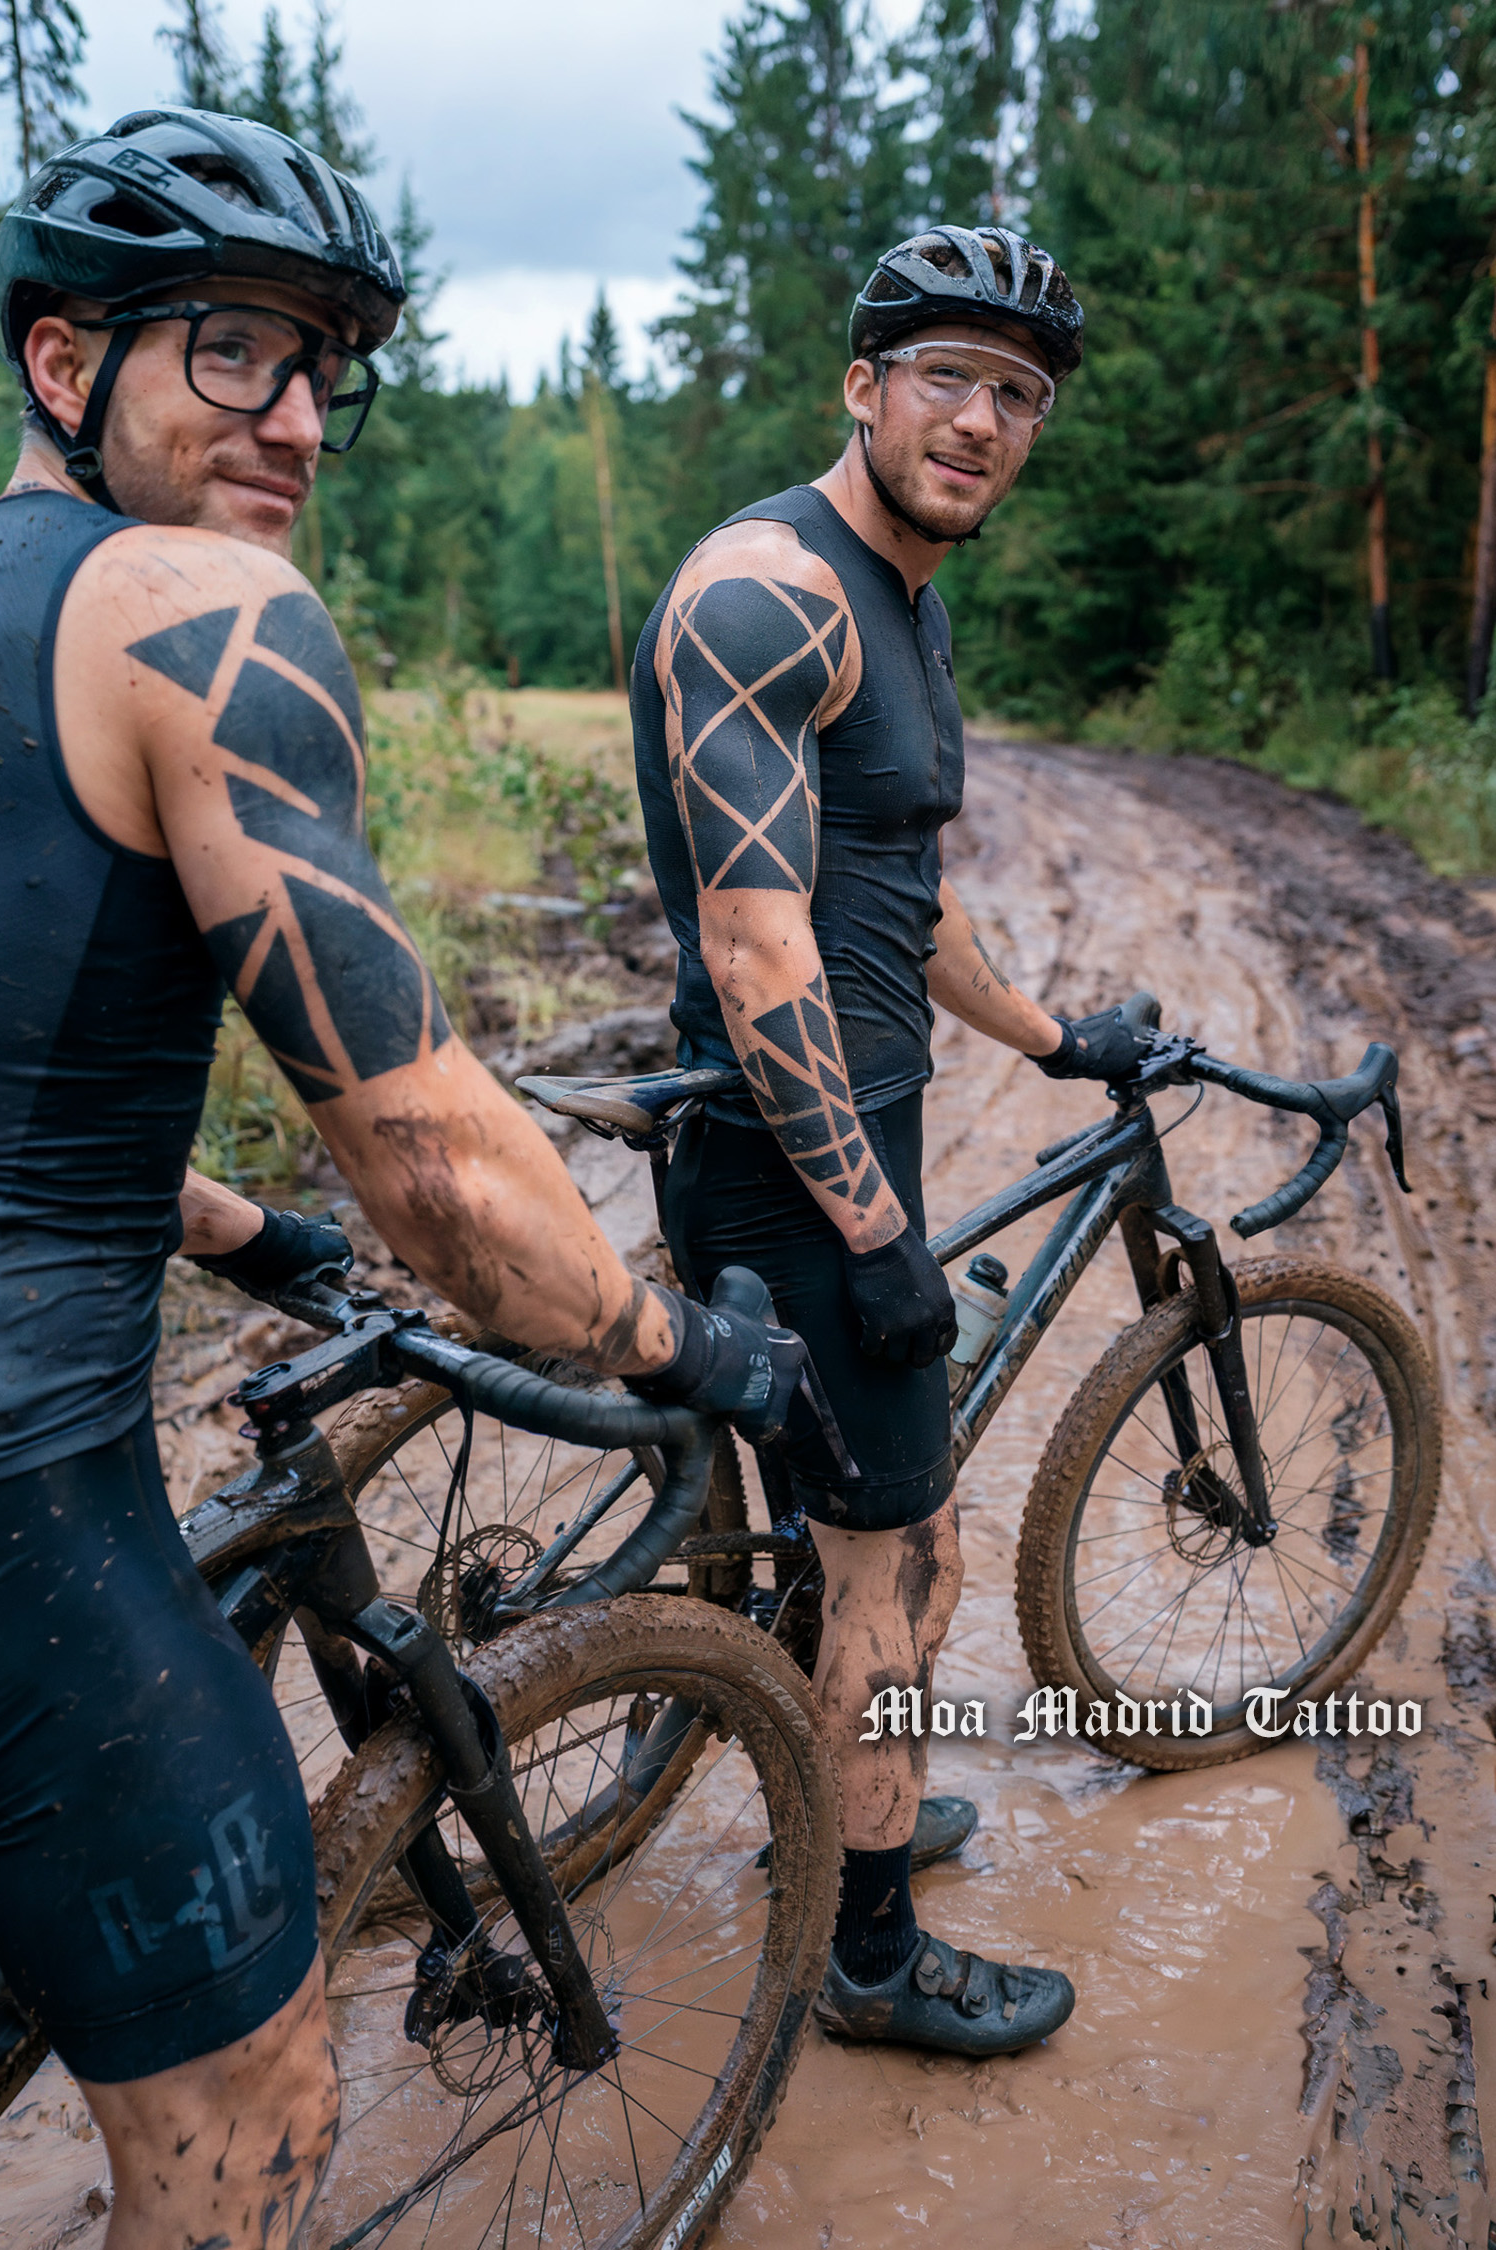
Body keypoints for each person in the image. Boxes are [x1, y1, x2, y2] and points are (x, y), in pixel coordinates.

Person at [0, 109, 800, 2249]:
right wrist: (673, 1335)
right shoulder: (196, 613)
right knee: (243, 2096)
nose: (302, 420)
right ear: (66, 364)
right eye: (239, 350)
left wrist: (246, 1230)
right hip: (18, 1503)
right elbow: (439, 1159)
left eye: (329, 365)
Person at [634, 223, 1155, 2053]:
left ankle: (842, 1779)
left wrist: (1041, 1030)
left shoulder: (907, 594)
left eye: (1018, 393)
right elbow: (758, 940)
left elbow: (891, 883)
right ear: (863, 388)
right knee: (893, 1549)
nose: (986, 418)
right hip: (794, 1155)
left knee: (847, 1532)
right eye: (949, 374)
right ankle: (866, 1955)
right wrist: (871, 1230)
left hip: (848, 1138)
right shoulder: (766, 589)